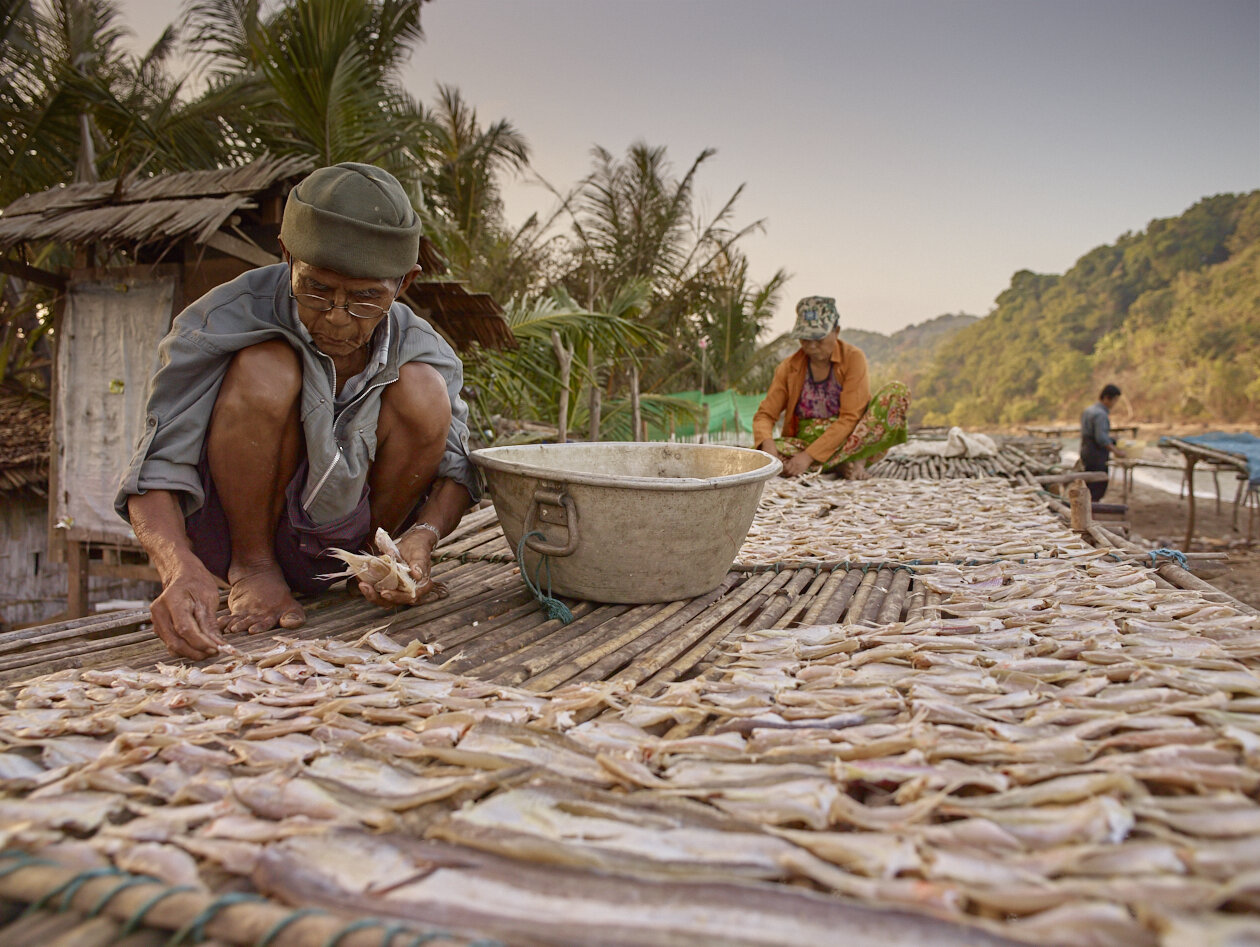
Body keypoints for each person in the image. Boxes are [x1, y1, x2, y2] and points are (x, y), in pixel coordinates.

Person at [116, 162, 479, 660]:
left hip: (355, 540)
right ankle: (256, 567)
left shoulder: (423, 348)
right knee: (266, 367)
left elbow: (460, 471)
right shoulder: (218, 321)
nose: (335, 315)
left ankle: (372, 563)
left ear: (405, 284)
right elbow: (155, 465)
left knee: (425, 391)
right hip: (237, 540)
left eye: (365, 298)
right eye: (316, 289)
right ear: (287, 255)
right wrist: (178, 566)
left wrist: (422, 538)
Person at [753, 296, 910, 479]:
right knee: (759, 455)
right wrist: (768, 445)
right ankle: (839, 464)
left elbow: (850, 417)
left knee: (897, 392)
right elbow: (765, 414)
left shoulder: (853, 358)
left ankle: (847, 461)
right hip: (804, 442)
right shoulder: (788, 368)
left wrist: (807, 457)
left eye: (818, 338)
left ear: (836, 331)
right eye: (805, 339)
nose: (811, 346)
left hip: (849, 440)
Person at [1080, 383, 1127, 501]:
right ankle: (1092, 511)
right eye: (1114, 400)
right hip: (1096, 454)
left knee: (1089, 481)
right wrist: (1116, 451)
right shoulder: (1100, 414)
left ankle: (1089, 509)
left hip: (1086, 450)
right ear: (1107, 398)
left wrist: (1110, 439)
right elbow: (1101, 438)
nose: (1114, 404)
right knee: (1098, 483)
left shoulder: (1089, 410)